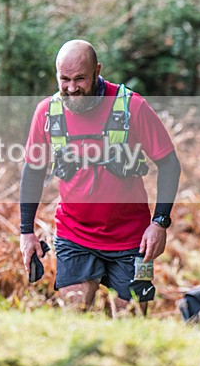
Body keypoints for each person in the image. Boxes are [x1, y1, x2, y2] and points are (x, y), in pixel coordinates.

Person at [19, 39, 181, 314]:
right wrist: (26, 232)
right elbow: (33, 171)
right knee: (74, 315)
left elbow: (169, 164)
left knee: (131, 320)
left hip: (133, 239)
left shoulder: (132, 106)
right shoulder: (47, 112)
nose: (72, 88)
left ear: (97, 71)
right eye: (65, 79)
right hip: (75, 235)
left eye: (80, 79)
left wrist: (160, 223)